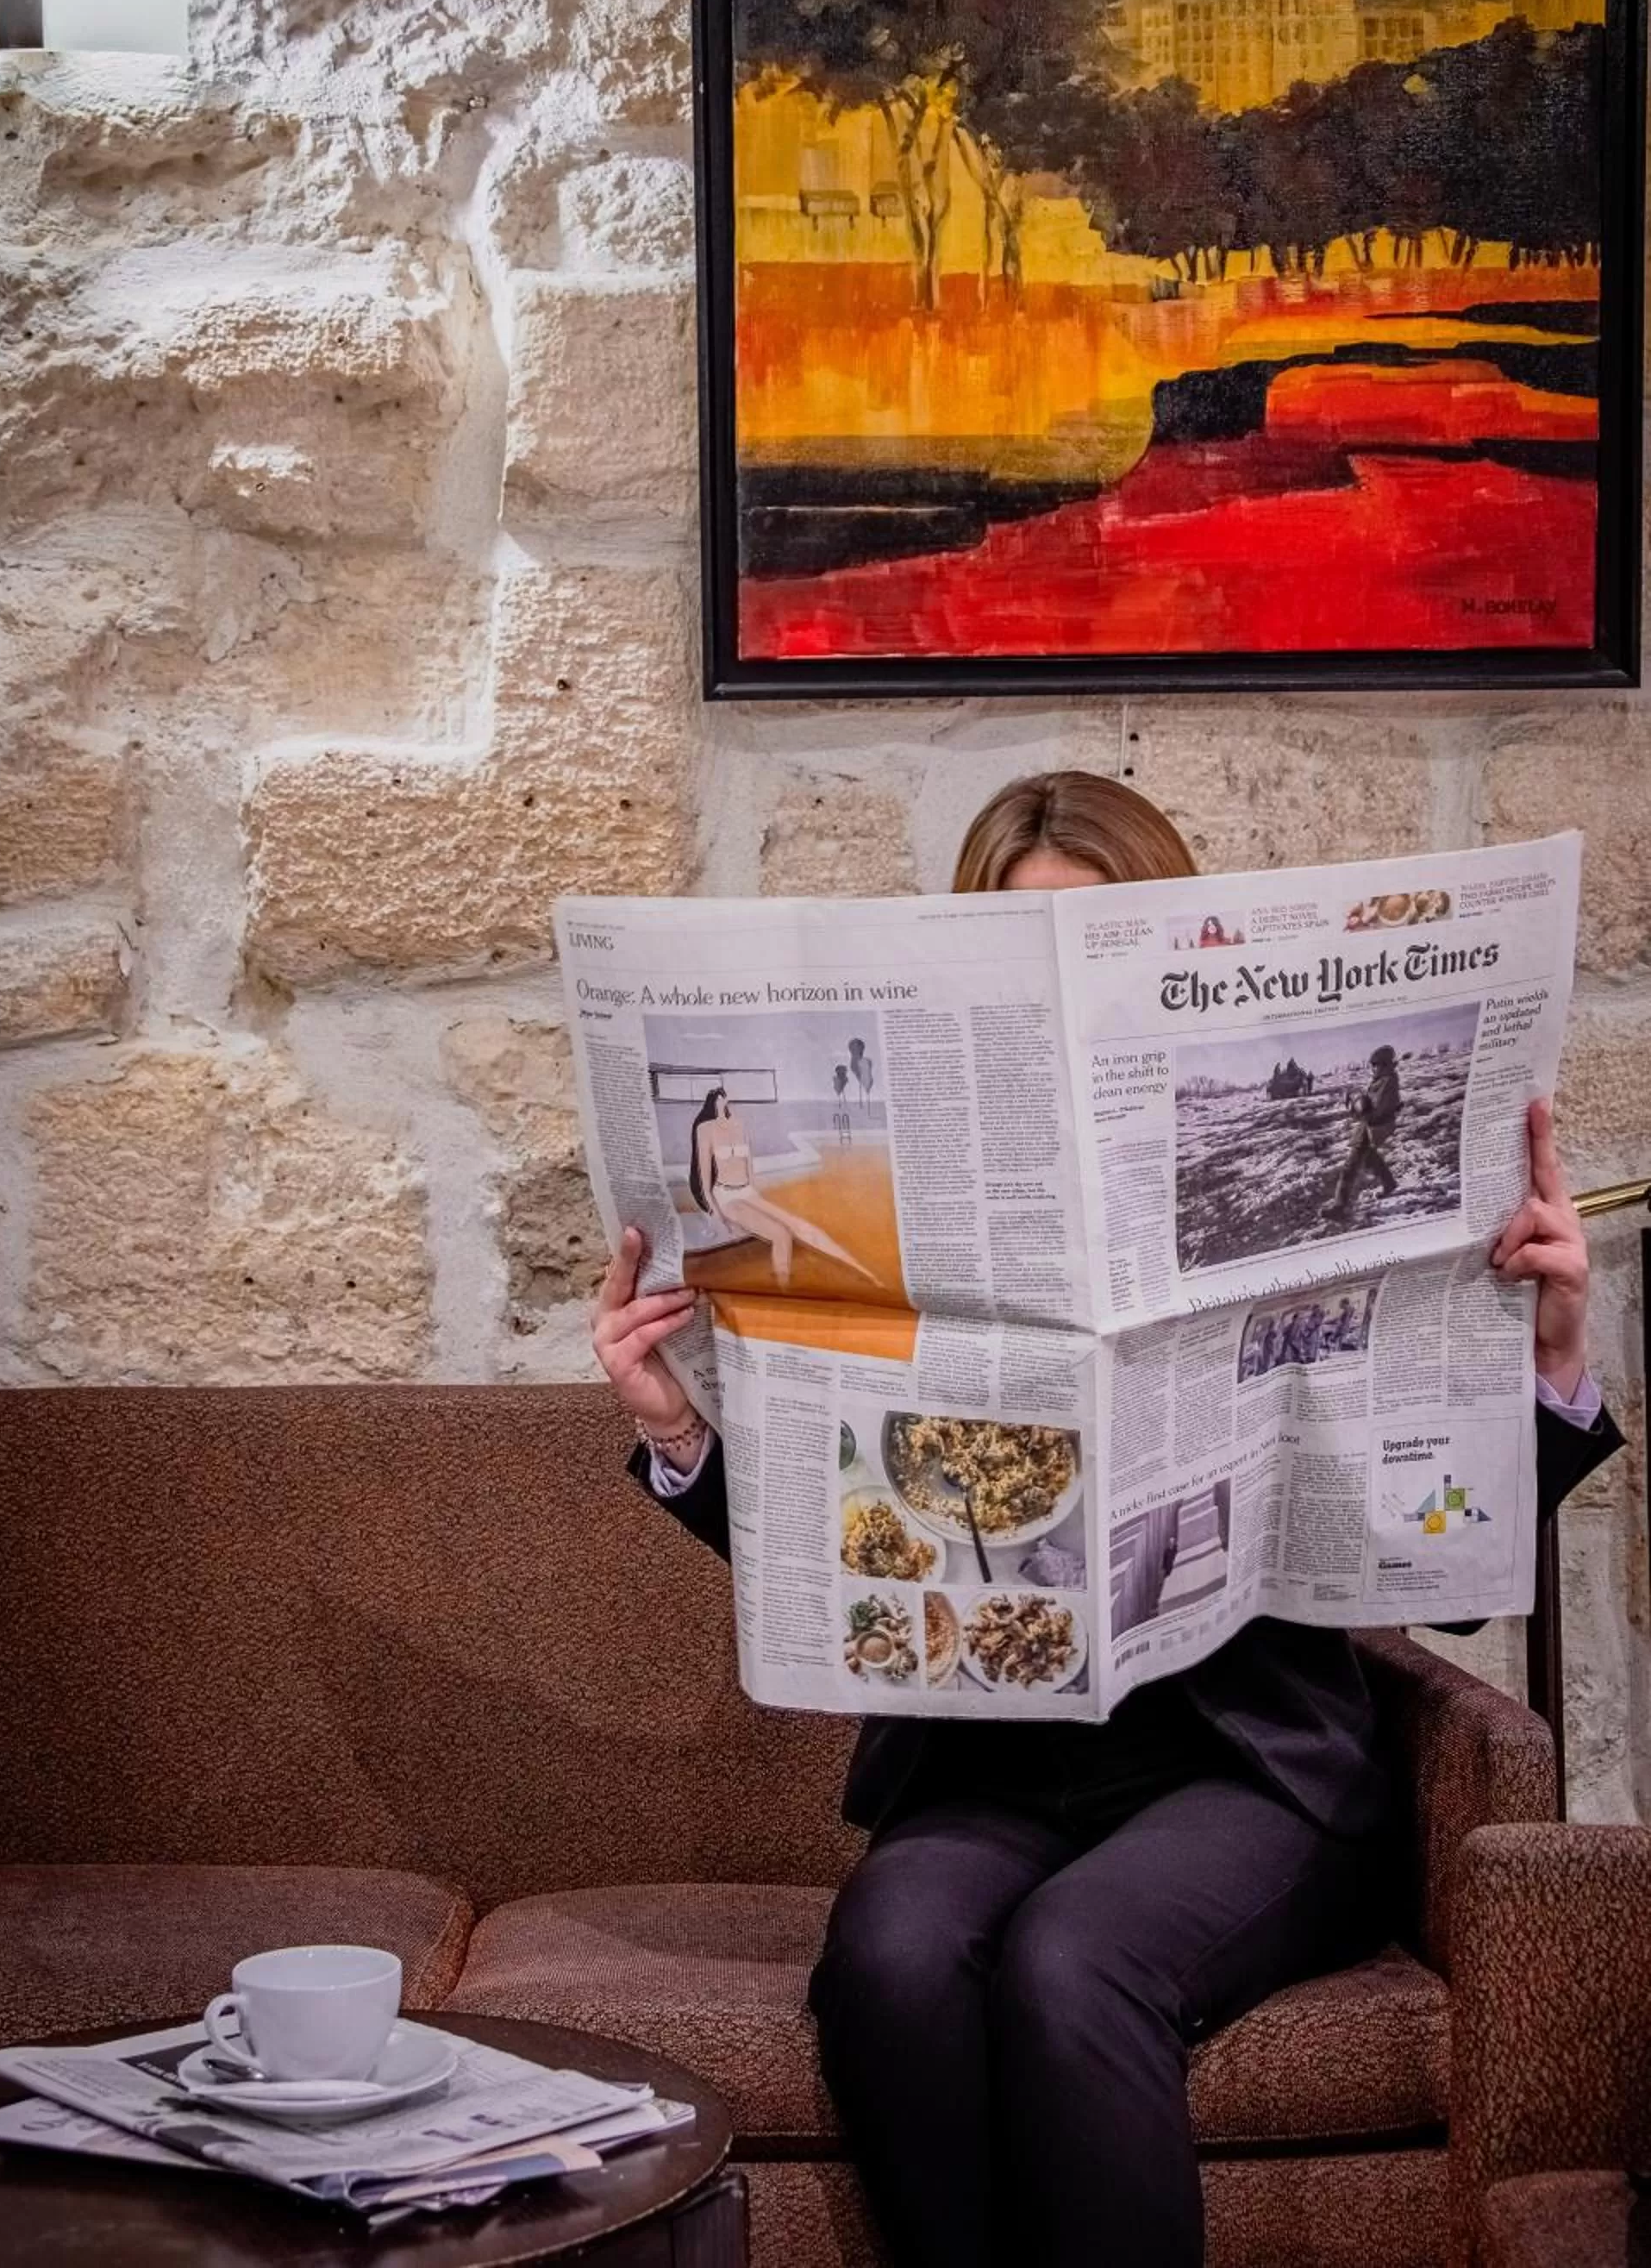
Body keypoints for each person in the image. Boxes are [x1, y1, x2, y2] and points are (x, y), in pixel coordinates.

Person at [591, 770, 1620, 2268]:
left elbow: (1443, 1573)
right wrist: (675, 1426)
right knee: (889, 1955)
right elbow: (846, 1541)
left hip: (1252, 1768)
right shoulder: (901, 1199)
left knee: (1072, 1963)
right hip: (991, 1769)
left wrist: (1548, 1357)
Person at [688, 1084, 873, 1290]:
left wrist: (757, 1199)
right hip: (726, 1197)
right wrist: (716, 1214)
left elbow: (750, 1170)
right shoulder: (705, 1129)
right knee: (780, 1234)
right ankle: (784, 1289)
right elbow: (704, 1180)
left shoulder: (740, 1125)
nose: (723, 1100)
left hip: (747, 1192)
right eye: (719, 1097)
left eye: (725, 1097)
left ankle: (863, 1271)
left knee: (803, 1227)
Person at [1326, 1043, 1401, 1221]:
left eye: (1376, 1065)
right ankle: (1389, 1183)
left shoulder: (1388, 1082)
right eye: (1372, 1065)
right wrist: (1356, 1101)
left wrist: (1358, 1104)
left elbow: (1375, 1111)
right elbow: (1370, 1105)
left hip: (1373, 1127)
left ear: (1384, 1064)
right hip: (1368, 1128)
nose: (1373, 1068)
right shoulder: (1381, 1080)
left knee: (1350, 1167)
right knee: (1370, 1157)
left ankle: (1339, 1207)